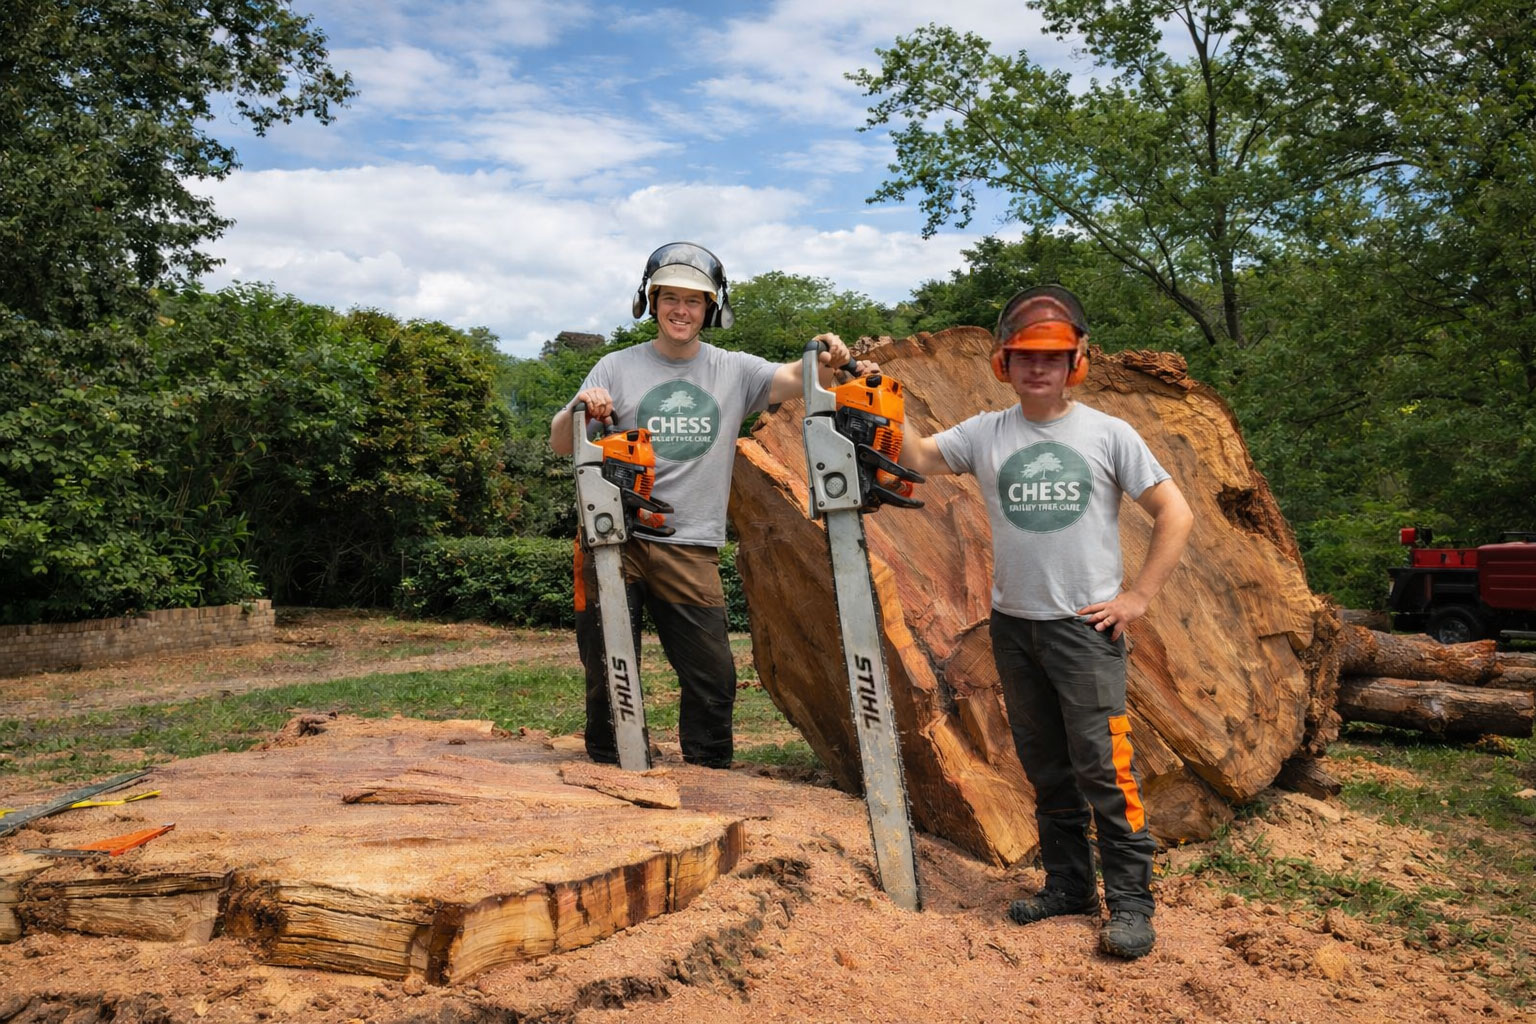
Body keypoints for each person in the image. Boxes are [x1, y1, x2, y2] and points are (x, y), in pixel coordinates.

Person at [893, 284, 1193, 960]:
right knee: (1046, 767)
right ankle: (1068, 886)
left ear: (1075, 364)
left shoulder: (1109, 434)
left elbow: (1176, 513)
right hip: (1015, 626)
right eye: (1026, 357)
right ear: (1005, 363)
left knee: (1104, 770)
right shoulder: (986, 432)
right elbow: (914, 457)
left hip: (1084, 631)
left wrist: (1138, 596)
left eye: (1052, 358)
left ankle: (1132, 904)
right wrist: (879, 394)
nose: (1039, 369)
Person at [550, 242, 875, 769]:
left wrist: (826, 354)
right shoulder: (615, 366)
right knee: (609, 668)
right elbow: (563, 441)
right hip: (614, 538)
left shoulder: (734, 371)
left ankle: (709, 775)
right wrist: (580, 406)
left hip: (690, 543)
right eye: (670, 298)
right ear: (651, 303)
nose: (681, 310)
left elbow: (800, 378)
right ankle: (612, 772)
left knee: (714, 677)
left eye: (694, 301)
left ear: (712, 308)